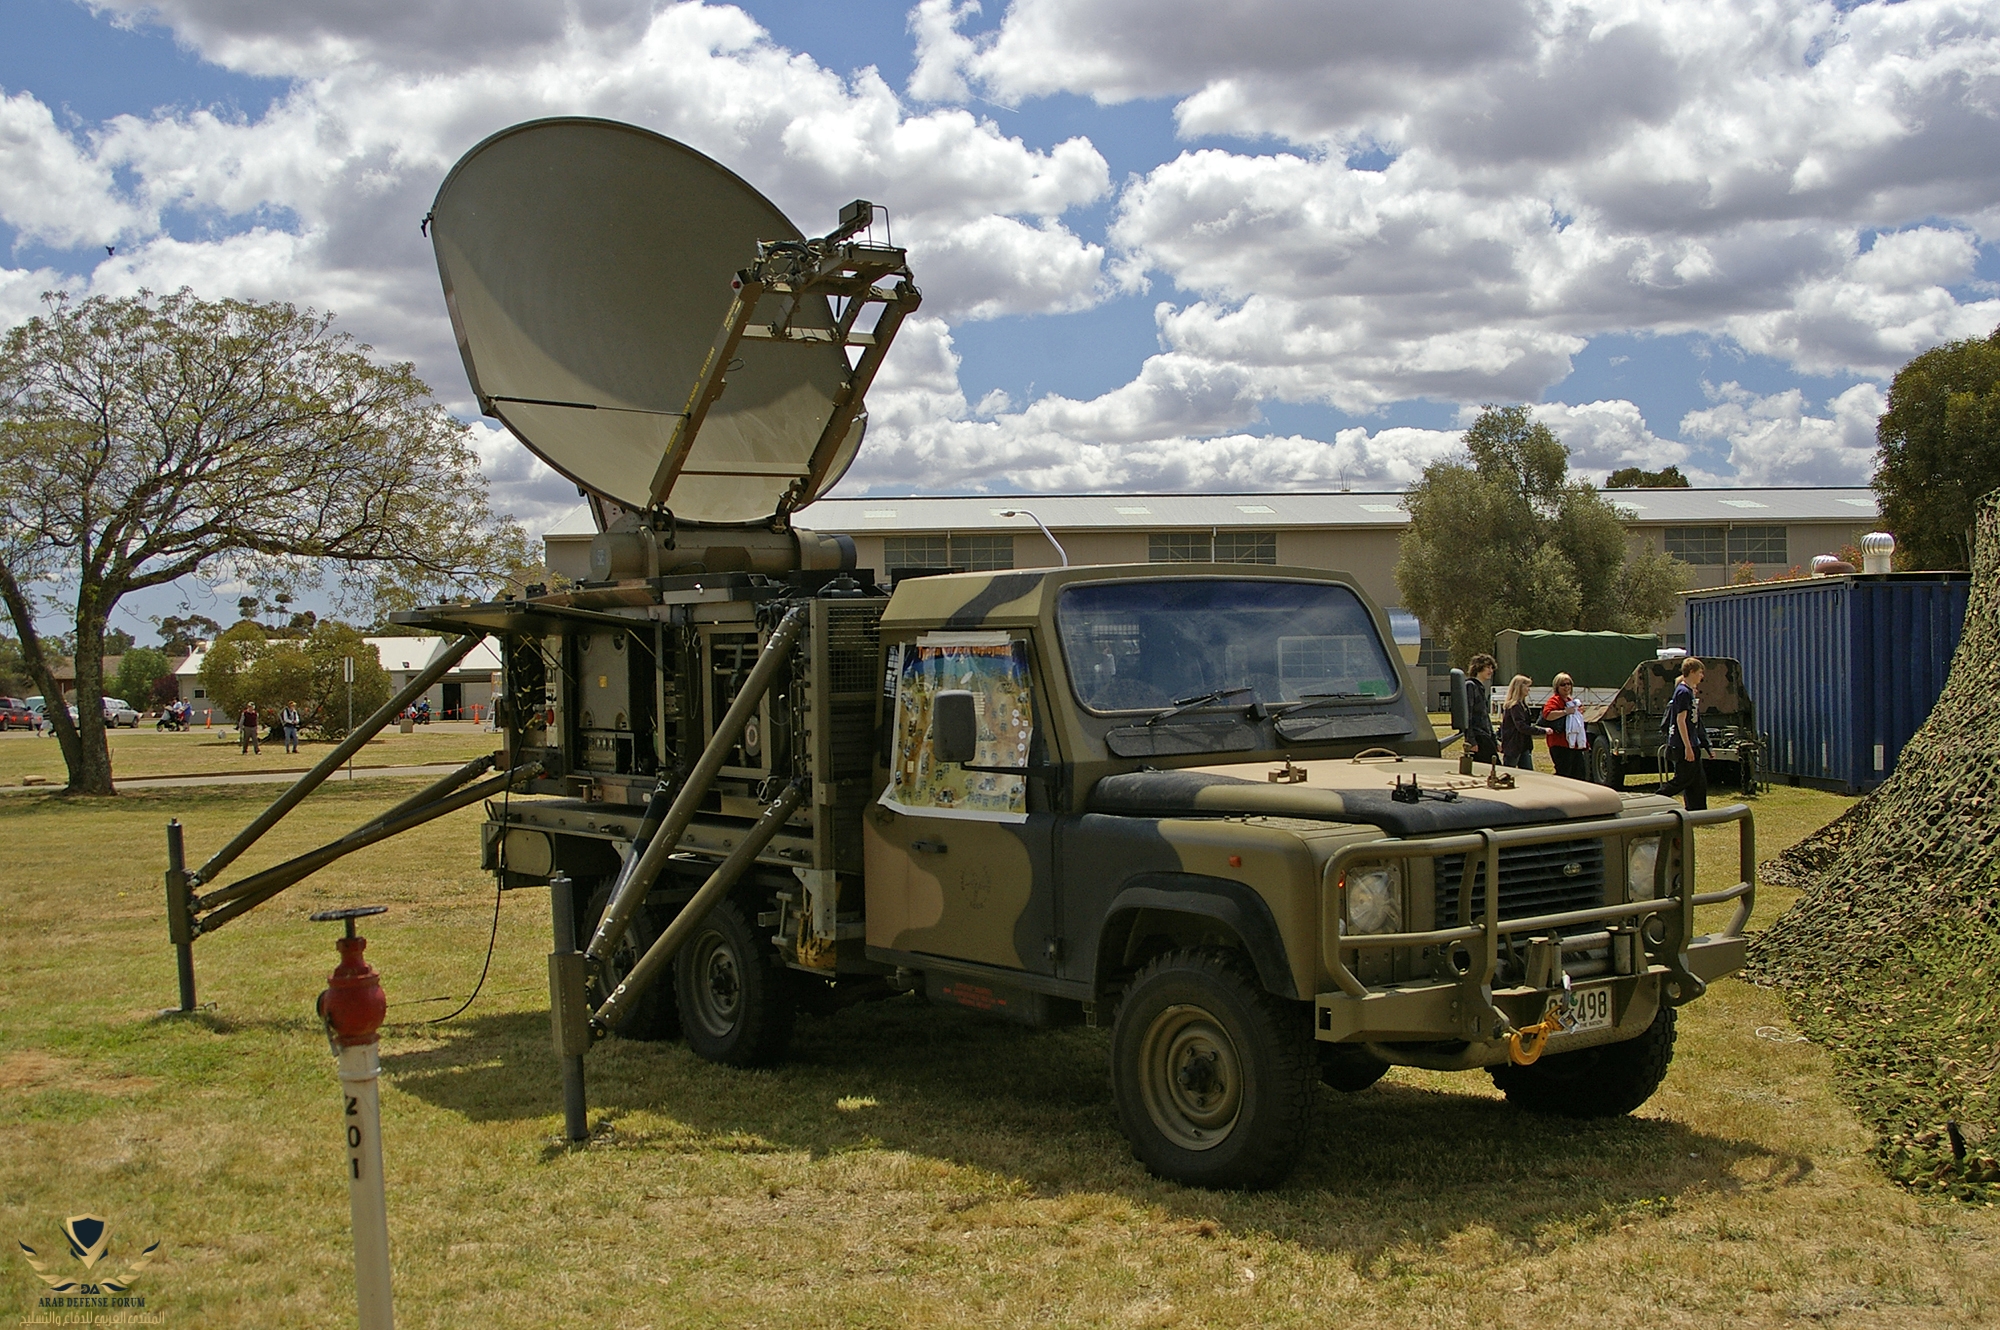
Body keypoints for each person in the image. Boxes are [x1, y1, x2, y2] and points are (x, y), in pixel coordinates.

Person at [1657, 657, 1712, 810]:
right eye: (1700, 672)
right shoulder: (1682, 692)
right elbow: (1680, 721)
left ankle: (1697, 811)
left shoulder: (1689, 691)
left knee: (1698, 781)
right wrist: (1687, 747)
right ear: (1692, 672)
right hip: (1683, 744)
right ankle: (1656, 798)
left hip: (1693, 743)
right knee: (1682, 780)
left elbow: (1695, 722)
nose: (1702, 676)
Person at [1540, 673, 1587, 780]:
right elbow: (1547, 715)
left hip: (1573, 744)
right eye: (1563, 684)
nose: (1566, 687)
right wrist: (1565, 712)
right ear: (1557, 687)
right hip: (1559, 744)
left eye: (1568, 684)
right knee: (1564, 774)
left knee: (1579, 773)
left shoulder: (1571, 700)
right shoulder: (1554, 700)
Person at [1464, 654, 1498, 764]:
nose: (1490, 670)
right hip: (1478, 736)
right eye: (1487, 667)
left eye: (1491, 668)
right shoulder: (1471, 686)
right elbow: (1467, 715)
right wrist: (1471, 740)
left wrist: (1494, 739)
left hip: (1485, 735)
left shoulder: (1480, 687)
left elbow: (1485, 717)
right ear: (1478, 667)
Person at [1498, 674, 1536, 771]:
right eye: (1527, 686)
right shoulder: (1515, 706)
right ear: (1520, 687)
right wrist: (1541, 731)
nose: (1529, 689)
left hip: (1523, 746)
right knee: (1508, 772)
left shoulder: (1523, 705)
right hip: (1513, 747)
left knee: (1528, 774)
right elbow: (1521, 726)